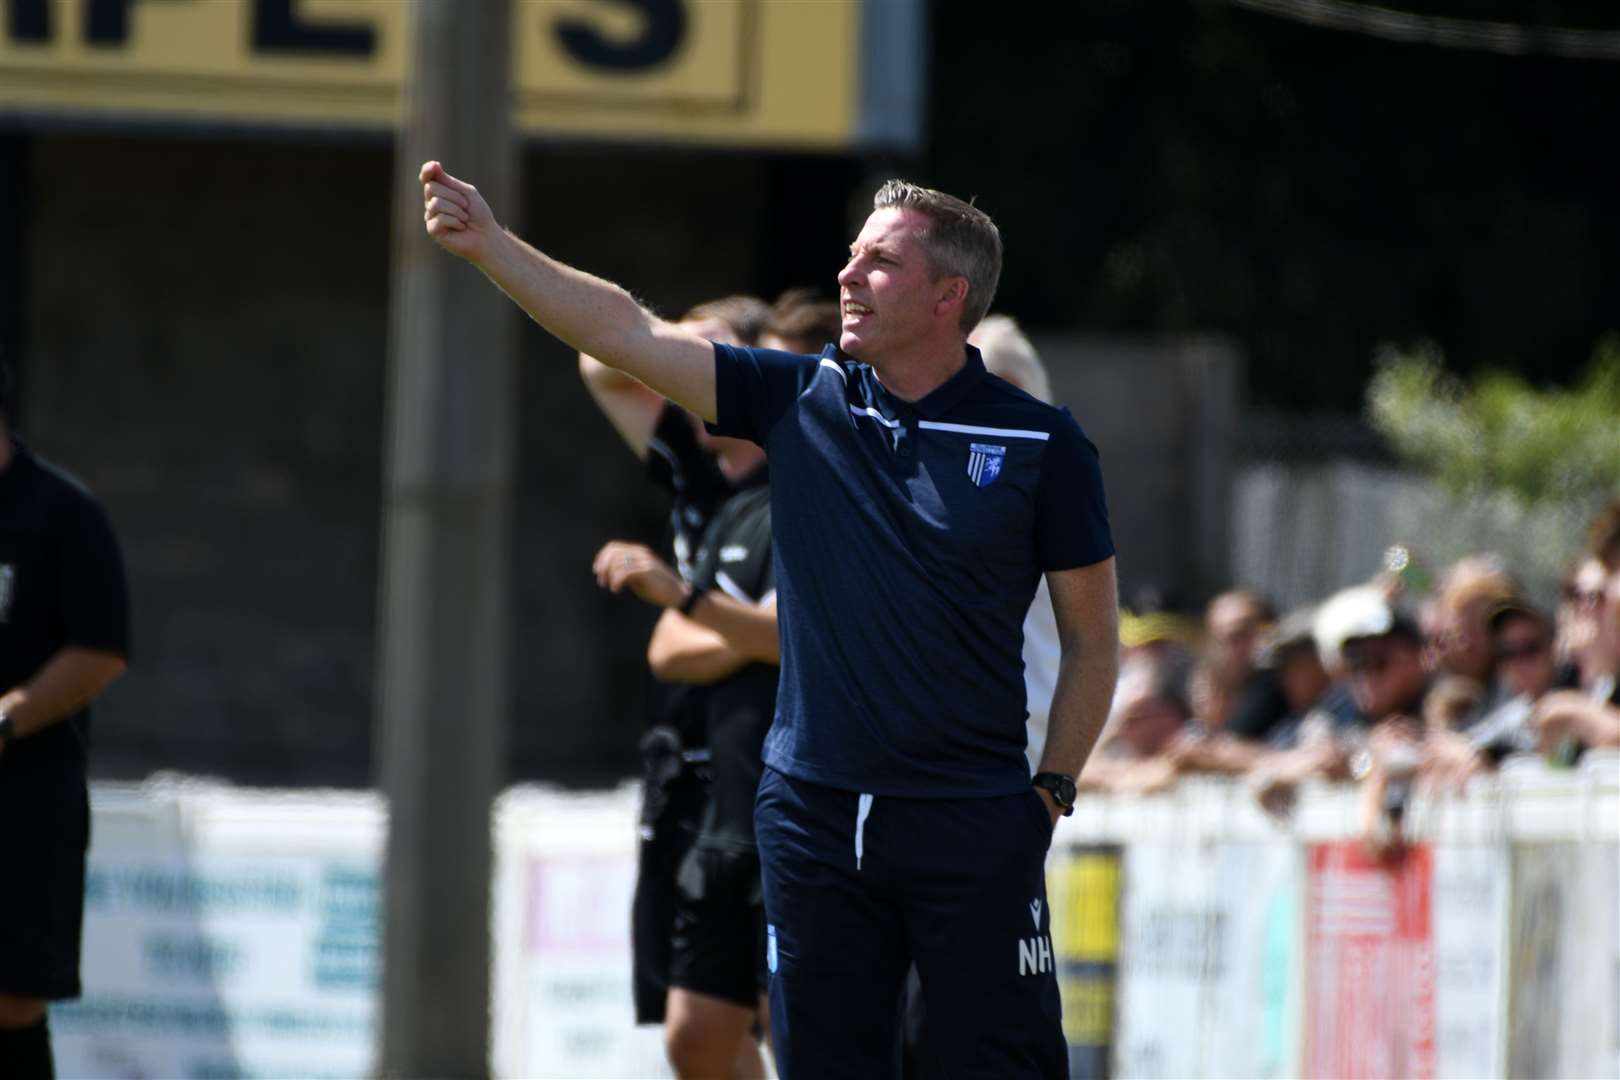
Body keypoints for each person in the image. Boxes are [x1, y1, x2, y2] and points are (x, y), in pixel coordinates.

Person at [420, 162, 1120, 1078]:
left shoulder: (1040, 443)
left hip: (973, 819)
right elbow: (626, 335)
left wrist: (1050, 792)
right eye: (851, 254)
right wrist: (494, 250)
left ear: (949, 297)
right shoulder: (801, 398)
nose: (847, 275)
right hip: (812, 819)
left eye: (879, 262)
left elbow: (1093, 640)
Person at [579, 296, 766, 1055]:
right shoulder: (696, 467)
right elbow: (601, 363)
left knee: (773, 1013)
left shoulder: (797, 481)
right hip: (690, 777)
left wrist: (705, 620)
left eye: (707, 363)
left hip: (756, 776)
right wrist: (676, 340)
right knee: (695, 1034)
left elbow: (790, 637)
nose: (681, 378)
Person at [0, 359, 131, 1079]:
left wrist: (9, 717)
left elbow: (103, 651)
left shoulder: (60, 514)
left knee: (12, 1003)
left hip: (25, 797)